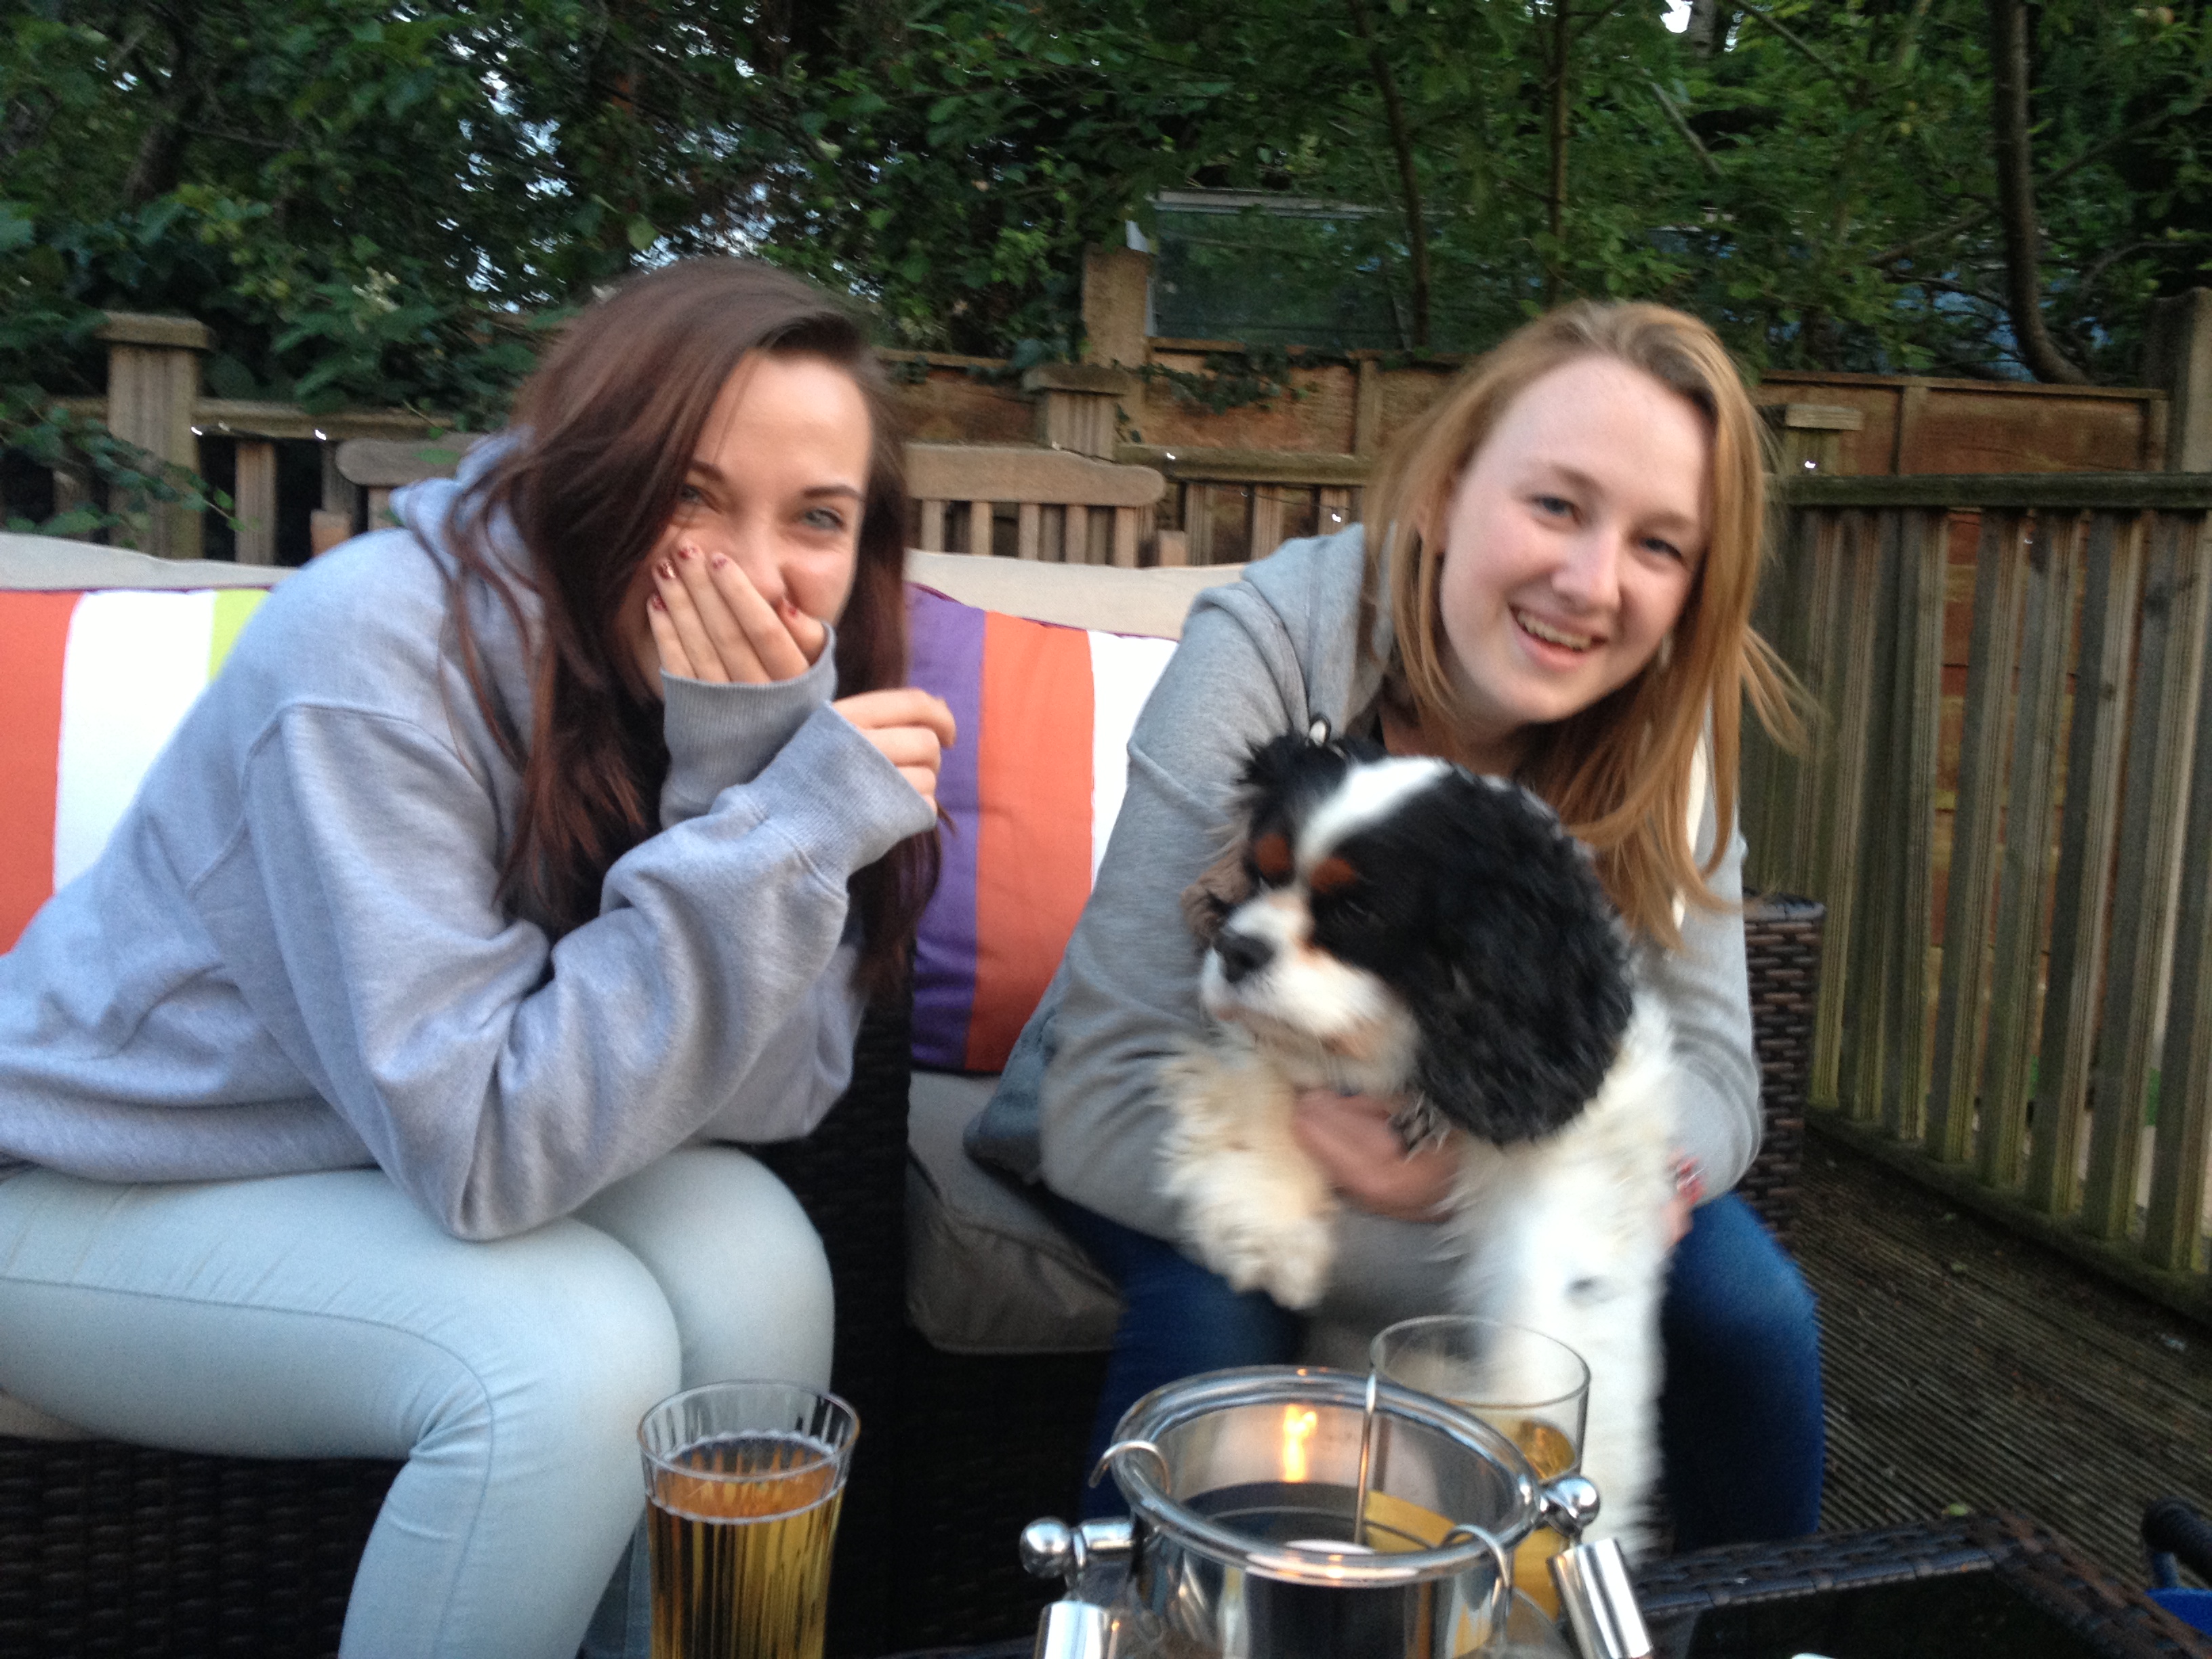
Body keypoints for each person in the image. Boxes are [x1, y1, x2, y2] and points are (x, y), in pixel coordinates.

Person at [0, 260, 955, 1658]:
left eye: (816, 517)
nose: (754, 572)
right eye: (693, 495)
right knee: (564, 1361)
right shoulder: (369, 654)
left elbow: (774, 1098)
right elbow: (483, 1158)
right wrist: (772, 832)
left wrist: (743, 786)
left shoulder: (730, 701)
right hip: (90, 1180)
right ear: (596, 473)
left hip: (356, 1153)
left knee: (762, 1264)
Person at [972, 300, 1823, 1549]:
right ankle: (1154, 1616)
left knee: (1754, 1312)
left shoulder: (1669, 721)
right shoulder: (1270, 646)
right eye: (1556, 504)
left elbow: (1717, 1082)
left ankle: (1756, 1619)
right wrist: (1519, 1258)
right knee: (1222, 1322)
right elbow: (1098, 1103)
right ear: (1443, 492)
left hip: (1506, 1132)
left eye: (1660, 545)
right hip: (1191, 1101)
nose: (1592, 583)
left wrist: (1513, 1180)